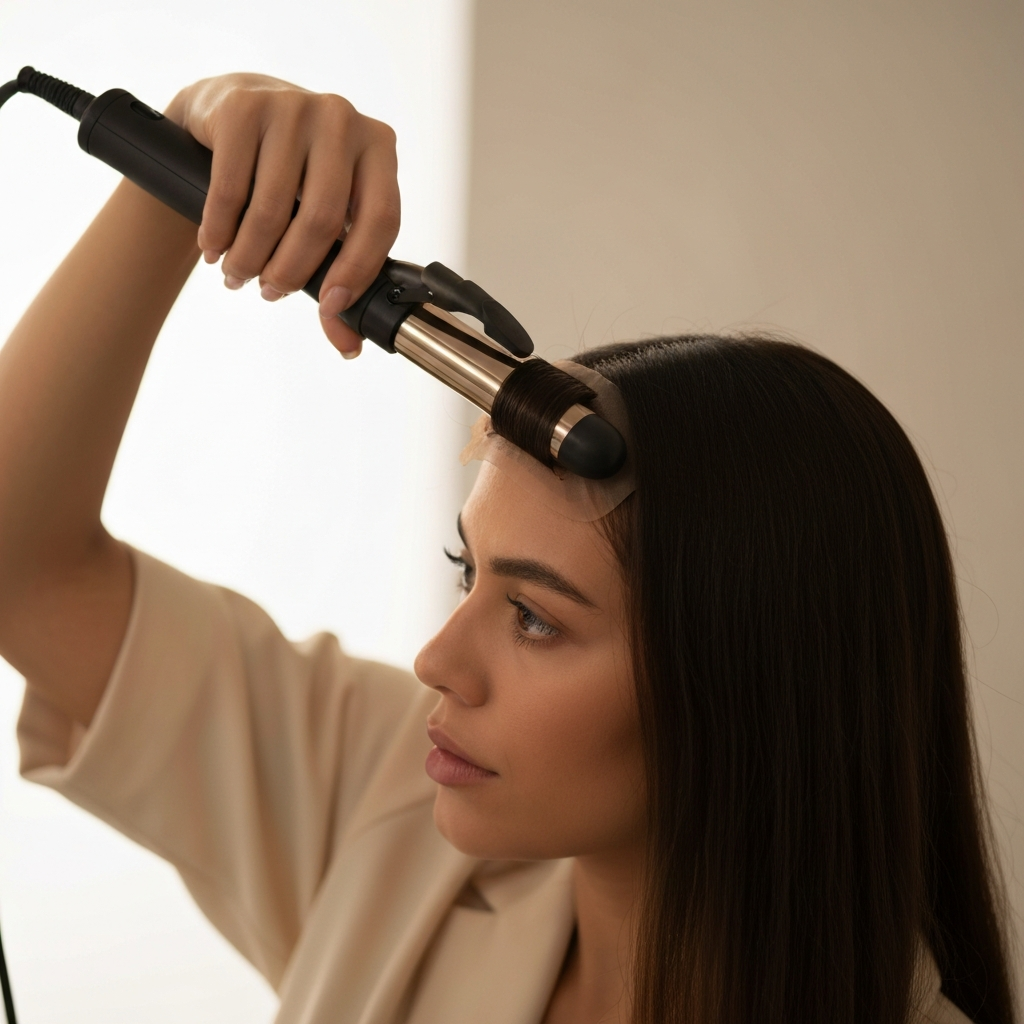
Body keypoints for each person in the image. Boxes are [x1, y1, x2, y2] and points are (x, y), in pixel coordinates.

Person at [0, 73, 1014, 1024]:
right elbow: (22, 567)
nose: (437, 660)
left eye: (532, 616)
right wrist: (192, 155)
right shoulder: (394, 805)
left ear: (756, 683)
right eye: (466, 572)